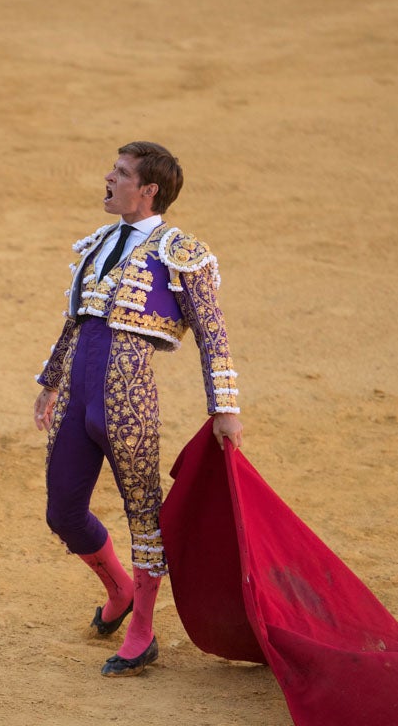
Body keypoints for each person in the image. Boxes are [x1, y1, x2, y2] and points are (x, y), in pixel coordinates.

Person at [33, 141, 243, 677]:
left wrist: (225, 406)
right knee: (62, 511)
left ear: (148, 190)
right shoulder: (100, 243)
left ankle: (143, 629)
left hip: (128, 399)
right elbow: (77, 320)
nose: (108, 178)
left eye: (121, 173)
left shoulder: (182, 250)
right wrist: (51, 382)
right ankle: (120, 589)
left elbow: (212, 332)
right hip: (78, 394)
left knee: (144, 517)